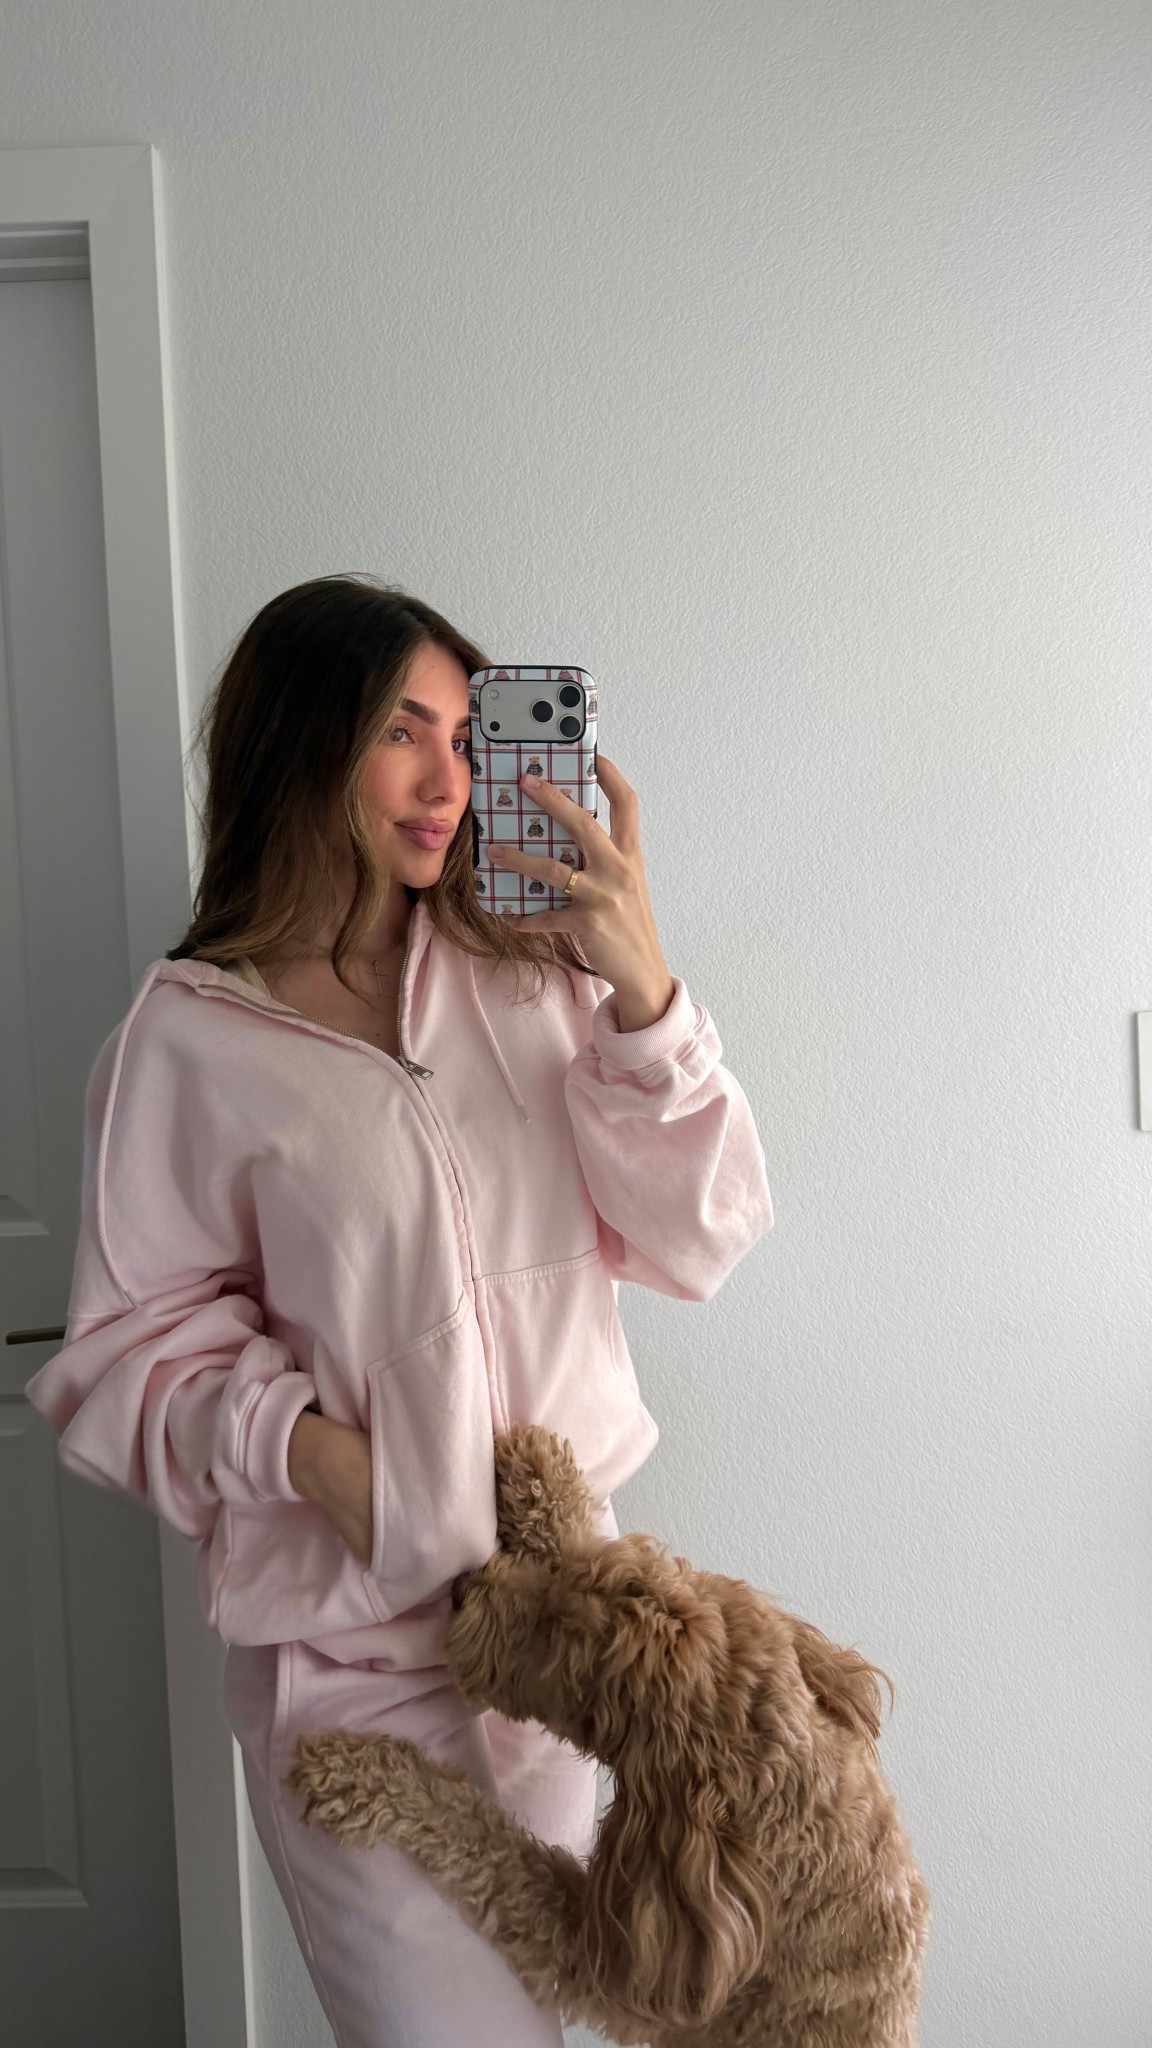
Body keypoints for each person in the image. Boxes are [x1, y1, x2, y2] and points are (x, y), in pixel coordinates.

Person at [25, 575, 775, 2048]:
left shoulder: (535, 978)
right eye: (400, 733)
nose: (450, 781)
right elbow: (122, 1350)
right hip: (346, 1657)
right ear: (301, 747)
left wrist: (640, 984)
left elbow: (703, 1234)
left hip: (557, 1632)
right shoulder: (187, 1039)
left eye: (465, 736)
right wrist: (316, 1457)